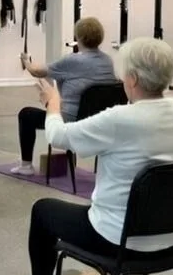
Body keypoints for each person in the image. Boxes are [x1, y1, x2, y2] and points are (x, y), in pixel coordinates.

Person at [14, 38, 173, 275]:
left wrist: (53, 104)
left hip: (119, 239)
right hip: (172, 238)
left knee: (42, 211)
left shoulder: (121, 118)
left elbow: (59, 137)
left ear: (132, 79)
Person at [11, 16, 117, 175]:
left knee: (26, 115)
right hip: (99, 120)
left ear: (79, 37)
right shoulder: (107, 61)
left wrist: (25, 61)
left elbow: (36, 71)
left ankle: (26, 165)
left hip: (70, 121)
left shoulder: (73, 61)